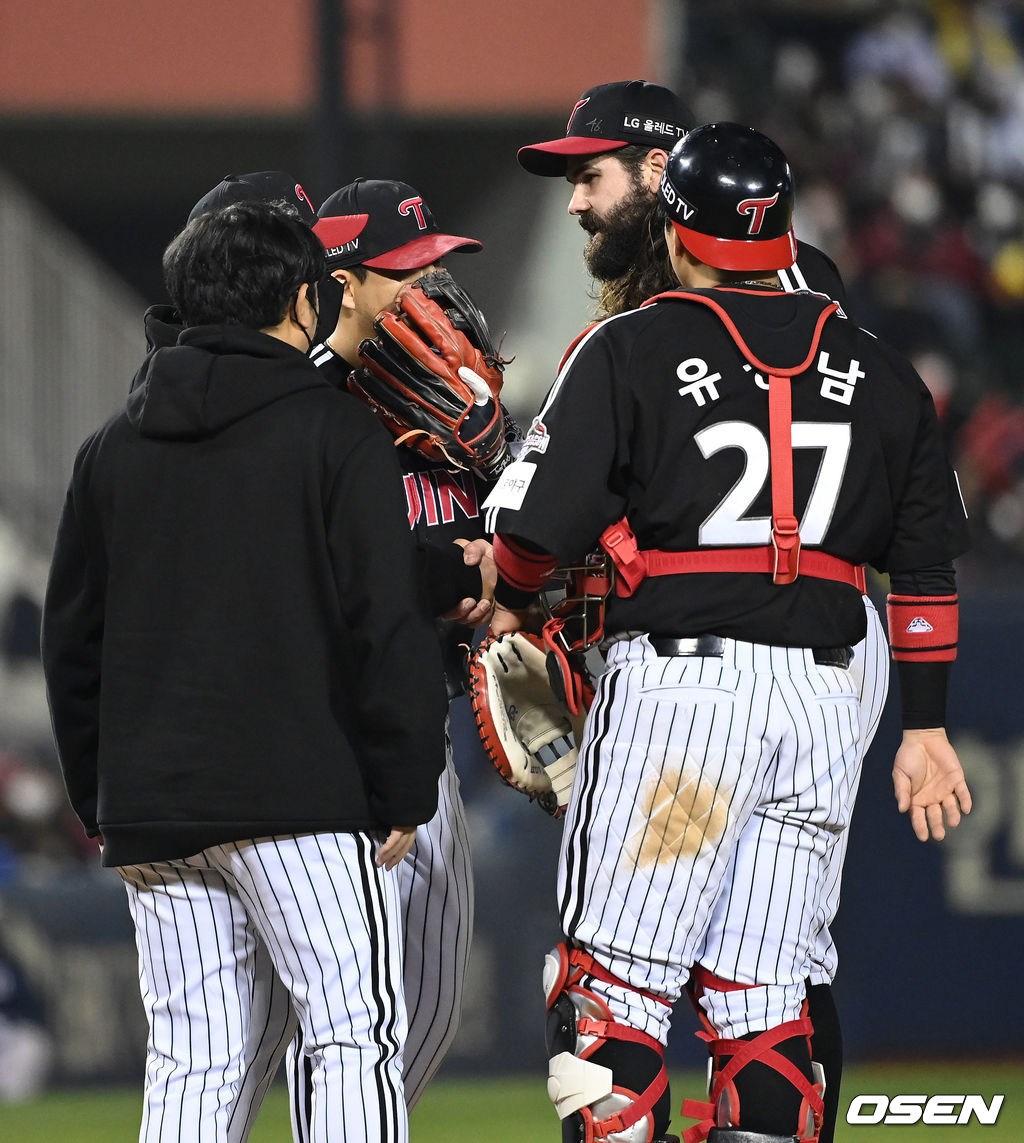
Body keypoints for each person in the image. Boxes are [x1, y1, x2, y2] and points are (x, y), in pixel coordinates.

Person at [484, 123, 971, 1143]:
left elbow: (529, 537)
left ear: (674, 232)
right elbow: (923, 577)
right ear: (784, 231)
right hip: (828, 705)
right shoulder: (882, 371)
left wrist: (520, 594)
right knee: (763, 1007)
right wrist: (924, 731)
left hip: (685, 713)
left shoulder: (633, 343)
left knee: (611, 994)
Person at [41, 200, 448, 1143]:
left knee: (195, 1060)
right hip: (301, 805)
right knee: (349, 1038)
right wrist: (404, 781)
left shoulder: (110, 448)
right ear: (305, 299)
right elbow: (382, 623)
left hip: (156, 810)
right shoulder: (334, 434)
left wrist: (105, 799)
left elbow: (73, 647)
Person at [273, 176, 508, 1129]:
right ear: (340, 279)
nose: (426, 287)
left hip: (424, 722)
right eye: (401, 270)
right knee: (344, 1019)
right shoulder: (296, 407)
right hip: (329, 734)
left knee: (432, 1008)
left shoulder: (452, 406)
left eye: (430, 264)